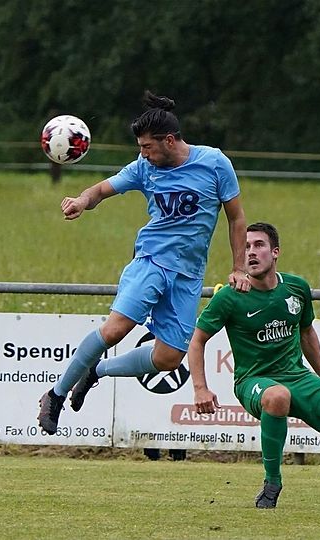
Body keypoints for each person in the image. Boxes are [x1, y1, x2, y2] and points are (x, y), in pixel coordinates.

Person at [37, 90, 251, 434]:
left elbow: (237, 219)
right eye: (140, 148)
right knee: (115, 329)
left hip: (188, 276)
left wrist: (239, 267)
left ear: (169, 140)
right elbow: (101, 190)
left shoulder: (215, 164)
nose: (143, 154)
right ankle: (56, 395)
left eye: (147, 147)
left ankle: (96, 371)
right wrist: (81, 200)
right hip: (150, 261)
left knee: (168, 358)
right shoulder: (143, 168)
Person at [189, 222, 320, 510]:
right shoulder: (230, 297)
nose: (251, 252)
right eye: (246, 247)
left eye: (258, 245)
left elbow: (307, 332)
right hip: (254, 380)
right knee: (277, 396)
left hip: (298, 377)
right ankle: (272, 482)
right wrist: (200, 388)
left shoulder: (296, 288)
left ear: (275, 252)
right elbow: (197, 341)